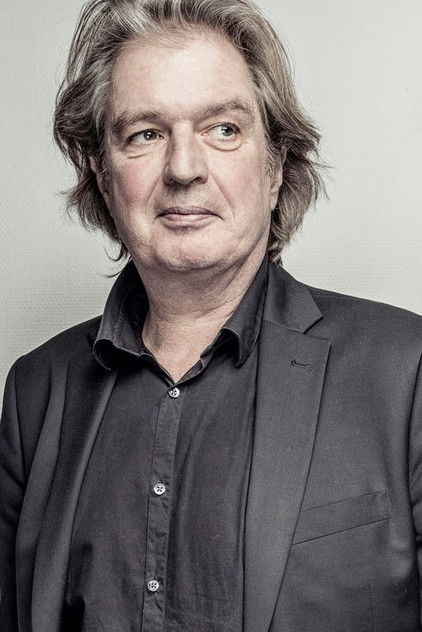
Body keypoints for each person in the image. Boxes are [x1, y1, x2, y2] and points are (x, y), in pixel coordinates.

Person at [0, 0, 421, 630]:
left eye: (223, 129)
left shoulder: (406, 371)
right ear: (102, 175)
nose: (184, 168)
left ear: (276, 167)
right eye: (145, 134)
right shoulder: (35, 393)